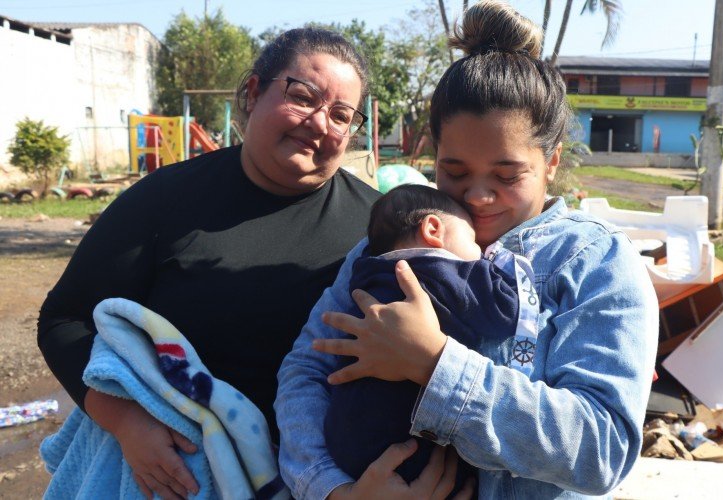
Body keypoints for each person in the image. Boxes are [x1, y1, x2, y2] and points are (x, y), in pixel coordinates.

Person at [275, 1, 659, 499]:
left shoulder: (595, 262)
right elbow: (307, 369)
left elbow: (602, 448)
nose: (477, 196)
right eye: (454, 172)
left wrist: (433, 363)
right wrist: (333, 489)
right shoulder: (390, 245)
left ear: (551, 161)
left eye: (506, 175)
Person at [38, 27, 397, 500]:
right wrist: (129, 423)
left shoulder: (379, 229)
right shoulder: (164, 200)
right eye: (303, 96)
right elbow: (65, 319)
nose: (318, 123)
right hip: (171, 476)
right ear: (252, 92)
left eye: (340, 115)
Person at [325, 184, 539, 488]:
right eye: (473, 240)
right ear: (434, 230)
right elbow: (506, 312)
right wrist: (502, 261)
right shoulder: (444, 271)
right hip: (405, 445)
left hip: (343, 438)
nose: (479, 250)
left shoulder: (368, 271)